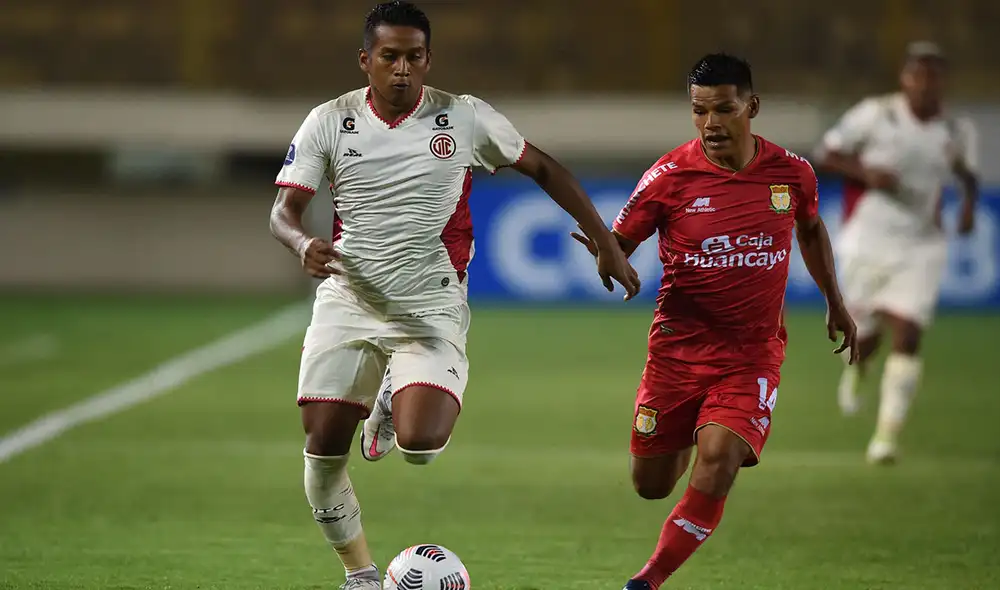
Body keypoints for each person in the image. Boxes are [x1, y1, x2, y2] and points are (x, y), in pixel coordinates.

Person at [268, 2, 640, 588]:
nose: (401, 69)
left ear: (428, 58)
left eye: (414, 56)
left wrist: (606, 242)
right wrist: (299, 242)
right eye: (389, 56)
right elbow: (284, 211)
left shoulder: (462, 118)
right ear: (366, 60)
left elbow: (545, 169)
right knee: (321, 457)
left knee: (421, 444)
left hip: (430, 307)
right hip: (348, 300)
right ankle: (361, 576)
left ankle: (393, 394)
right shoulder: (328, 121)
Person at [572, 53, 857, 590]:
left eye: (724, 109)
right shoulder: (668, 176)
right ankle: (691, 436)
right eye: (700, 111)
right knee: (651, 485)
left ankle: (648, 580)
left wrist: (834, 301)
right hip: (677, 353)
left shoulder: (792, 174)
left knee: (720, 456)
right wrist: (611, 257)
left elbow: (812, 231)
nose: (711, 124)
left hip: (752, 355)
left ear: (751, 107)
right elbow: (621, 243)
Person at [814, 41, 979, 464]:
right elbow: (826, 153)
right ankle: (856, 370)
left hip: (922, 244)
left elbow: (967, 174)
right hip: (868, 240)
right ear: (905, 79)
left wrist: (967, 209)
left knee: (908, 332)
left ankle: (885, 438)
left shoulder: (957, 131)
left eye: (934, 77)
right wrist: (863, 172)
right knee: (866, 337)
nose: (926, 85)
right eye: (918, 75)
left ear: (943, 84)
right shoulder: (877, 114)